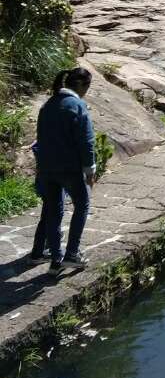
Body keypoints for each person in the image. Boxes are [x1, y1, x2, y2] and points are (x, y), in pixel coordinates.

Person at [33, 66, 97, 276]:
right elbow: (86, 141)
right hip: (69, 168)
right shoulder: (77, 106)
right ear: (81, 85)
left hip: (46, 168)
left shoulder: (48, 105)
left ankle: (55, 259)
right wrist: (90, 170)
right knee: (82, 204)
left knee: (53, 211)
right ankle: (72, 254)